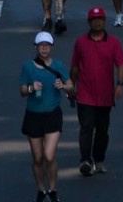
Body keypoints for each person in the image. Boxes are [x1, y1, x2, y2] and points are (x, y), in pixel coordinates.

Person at [69, 6, 123, 177]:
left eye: (100, 19)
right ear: (89, 22)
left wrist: (120, 84)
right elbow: (74, 66)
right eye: (94, 20)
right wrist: (71, 86)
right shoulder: (80, 42)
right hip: (85, 94)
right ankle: (85, 160)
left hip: (105, 95)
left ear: (104, 21)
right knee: (86, 127)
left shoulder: (113, 42)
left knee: (102, 130)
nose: (98, 22)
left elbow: (121, 64)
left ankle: (99, 159)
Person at [19, 31, 74, 202]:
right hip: (33, 116)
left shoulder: (58, 66)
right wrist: (30, 89)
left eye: (47, 45)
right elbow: (22, 91)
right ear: (36, 47)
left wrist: (62, 86)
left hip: (52, 115)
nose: (44, 48)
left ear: (51, 47)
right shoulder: (28, 67)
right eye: (41, 45)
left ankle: (53, 189)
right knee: (38, 158)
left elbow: (71, 86)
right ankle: (41, 190)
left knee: (49, 156)